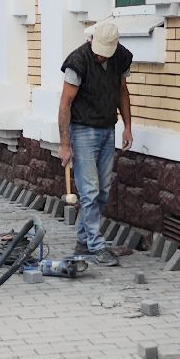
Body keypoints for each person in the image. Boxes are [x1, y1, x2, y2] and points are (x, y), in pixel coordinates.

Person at [57, 18, 135, 266]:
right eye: (99, 53)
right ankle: (96, 245)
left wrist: (128, 126)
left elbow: (123, 91)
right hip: (82, 131)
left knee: (102, 192)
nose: (101, 58)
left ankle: (83, 241)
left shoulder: (121, 57)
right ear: (92, 41)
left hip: (107, 128)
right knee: (89, 192)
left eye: (106, 54)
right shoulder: (77, 61)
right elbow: (65, 104)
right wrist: (65, 143)